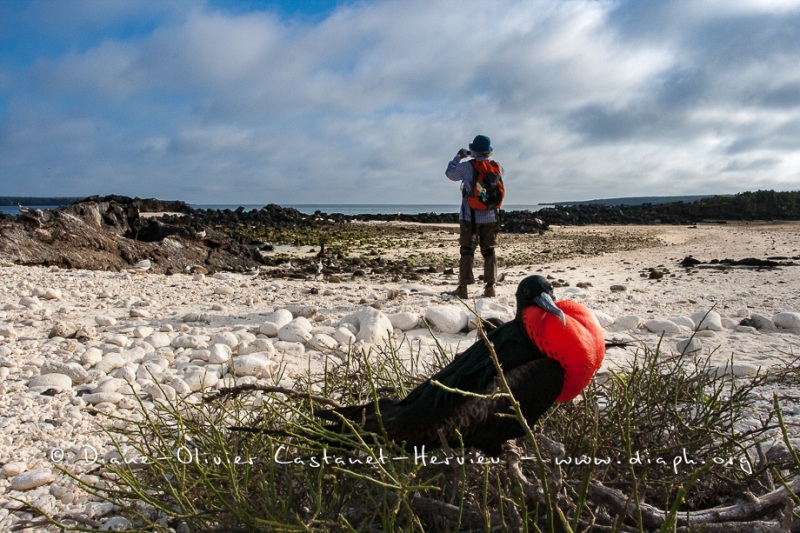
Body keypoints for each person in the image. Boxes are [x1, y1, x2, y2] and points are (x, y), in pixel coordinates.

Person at [445, 134, 503, 298]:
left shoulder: (467, 167)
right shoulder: (497, 167)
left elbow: (450, 174)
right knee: (489, 251)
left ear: (473, 151)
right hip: (491, 217)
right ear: (489, 152)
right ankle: (490, 287)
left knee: (467, 251)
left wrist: (459, 156)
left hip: (470, 216)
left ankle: (463, 288)